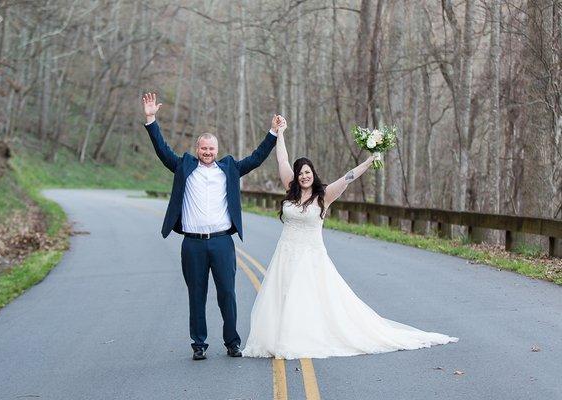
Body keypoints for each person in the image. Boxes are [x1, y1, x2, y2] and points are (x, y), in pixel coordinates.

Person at [242, 116, 458, 359]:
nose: (304, 176)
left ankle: (303, 338)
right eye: (300, 173)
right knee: (282, 296)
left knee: (307, 299)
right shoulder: (289, 189)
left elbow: (348, 177)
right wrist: (279, 132)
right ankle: (279, 337)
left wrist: (369, 160)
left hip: (310, 256)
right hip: (285, 254)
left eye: (307, 172)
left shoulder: (324, 196)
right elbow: (281, 158)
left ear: (313, 174)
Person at [142, 92, 280, 360]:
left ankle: (232, 342)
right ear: (197, 149)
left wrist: (272, 133)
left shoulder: (229, 169)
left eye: (211, 149)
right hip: (192, 243)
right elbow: (161, 149)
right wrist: (151, 120)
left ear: (217, 150)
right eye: (203, 148)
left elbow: (256, 157)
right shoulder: (183, 166)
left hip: (221, 242)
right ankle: (199, 345)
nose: (207, 152)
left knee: (227, 293)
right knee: (197, 295)